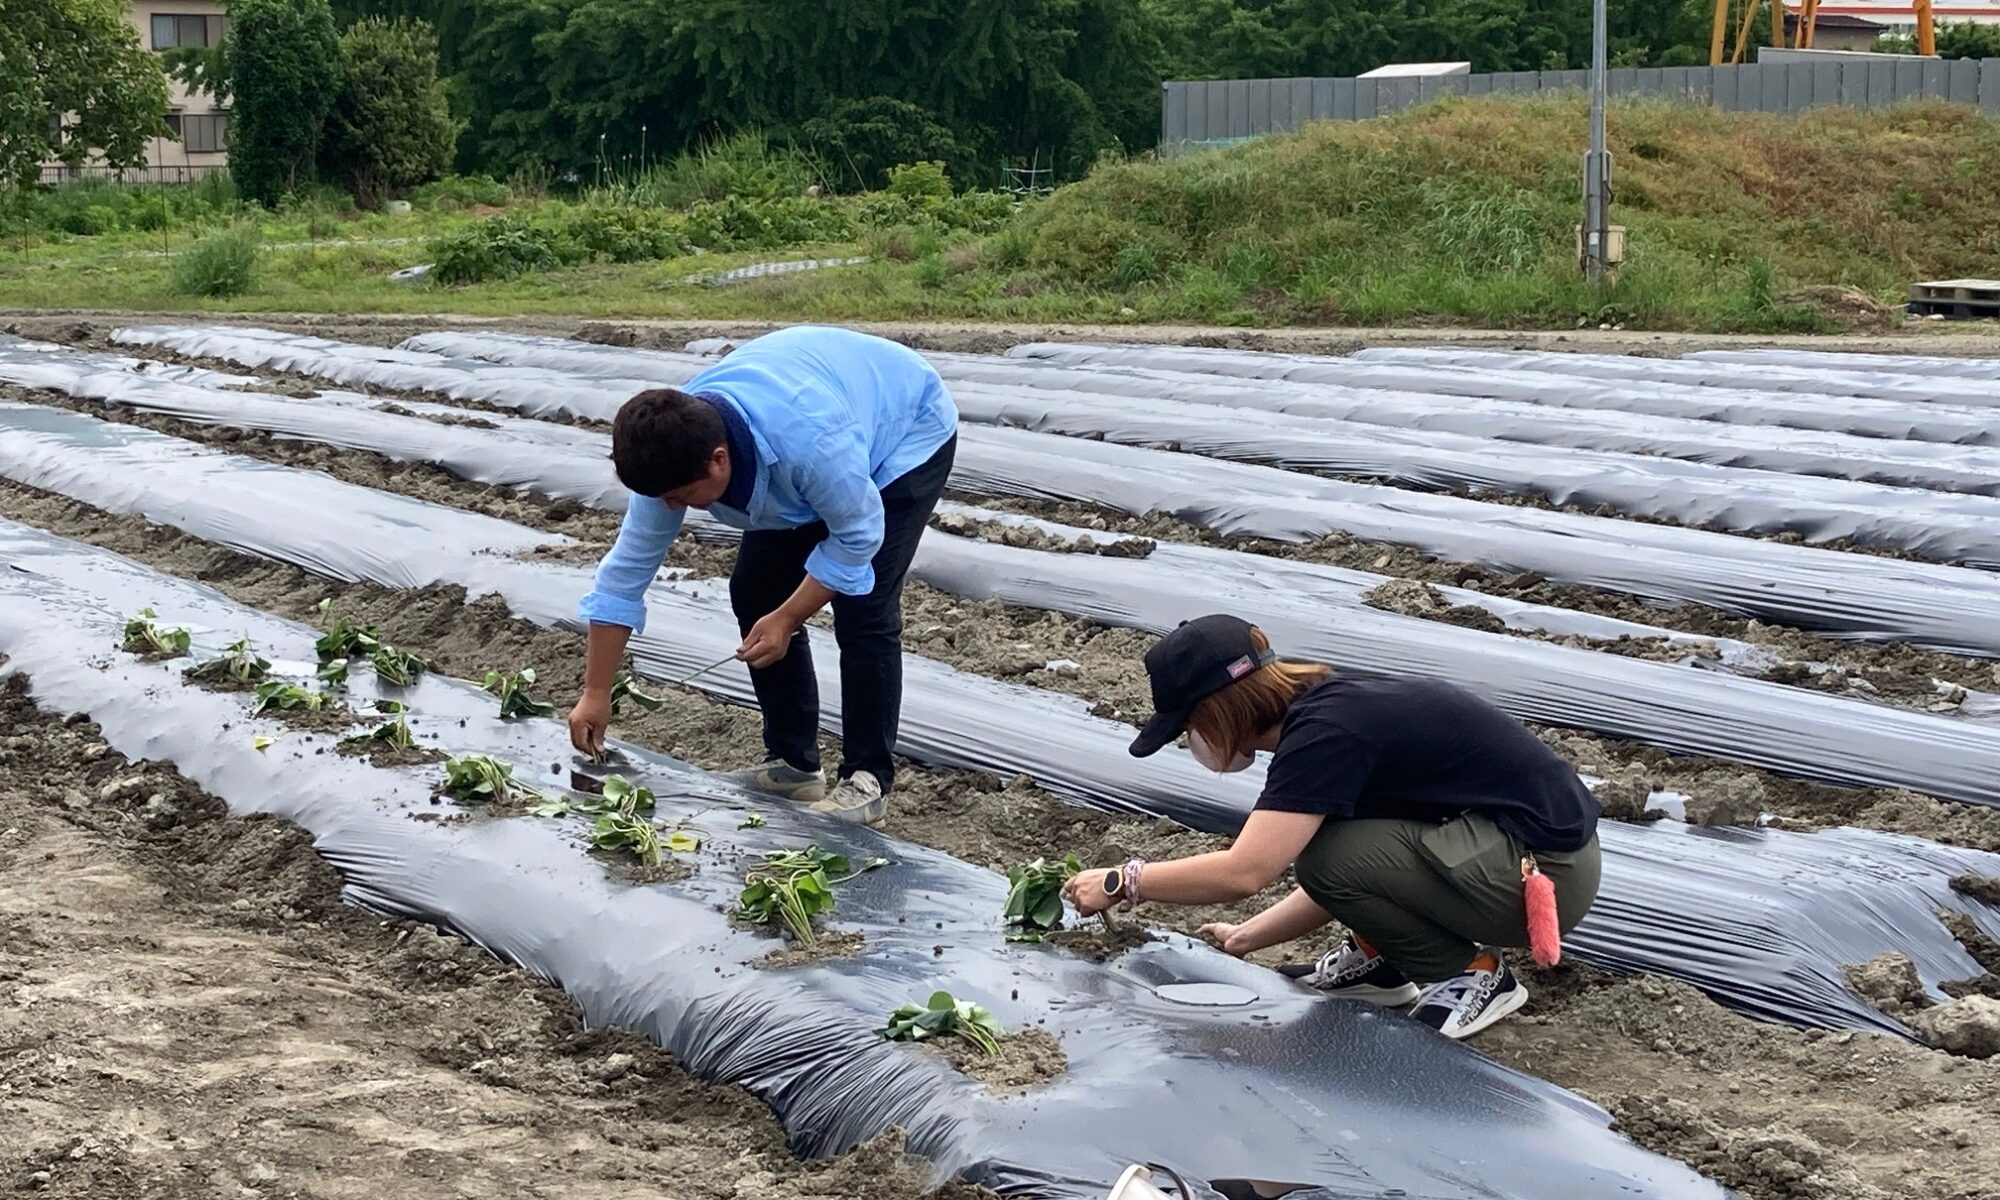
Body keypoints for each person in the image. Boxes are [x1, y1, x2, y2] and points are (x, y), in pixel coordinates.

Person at [1062, 615, 1602, 1039]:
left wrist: (1121, 881)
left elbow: (1246, 872)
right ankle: (1382, 965)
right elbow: (1359, 872)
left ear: (1219, 711)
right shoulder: (1328, 710)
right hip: (1520, 857)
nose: (1193, 739)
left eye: (1189, 726)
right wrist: (1247, 938)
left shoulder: (1327, 735)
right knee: (1330, 847)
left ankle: (1476, 973)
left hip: (1544, 876)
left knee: (1327, 854)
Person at [567, 326, 958, 827]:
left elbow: (858, 537)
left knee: (865, 608)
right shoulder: (671, 457)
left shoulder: (812, 442)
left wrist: (789, 617)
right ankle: (793, 764)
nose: (670, 508)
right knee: (754, 589)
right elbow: (625, 575)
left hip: (904, 430)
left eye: (682, 496)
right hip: (813, 417)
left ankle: (867, 778)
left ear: (719, 460)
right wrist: (595, 692)